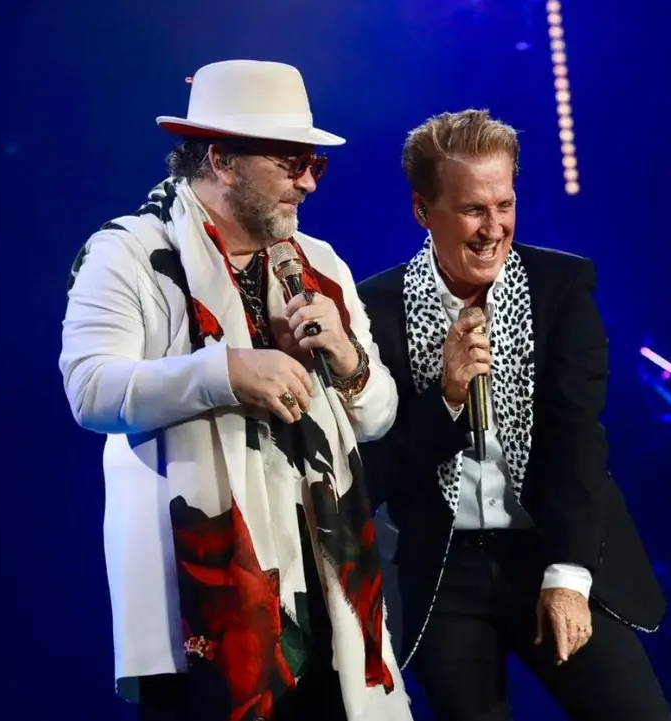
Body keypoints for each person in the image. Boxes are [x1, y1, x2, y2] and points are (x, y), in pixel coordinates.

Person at [59, 60, 412, 721]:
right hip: (208, 615)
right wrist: (225, 374)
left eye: (316, 164)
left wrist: (347, 355)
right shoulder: (128, 253)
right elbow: (90, 388)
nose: (308, 181)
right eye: (291, 161)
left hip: (329, 601)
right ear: (221, 158)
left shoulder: (322, 265)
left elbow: (378, 413)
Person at [356, 109, 671, 720]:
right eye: (474, 209)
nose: (492, 229)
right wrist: (445, 399)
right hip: (441, 573)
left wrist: (569, 575)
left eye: (504, 204)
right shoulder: (373, 308)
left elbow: (578, 443)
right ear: (424, 211)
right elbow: (370, 477)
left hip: (551, 548)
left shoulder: (561, 287)